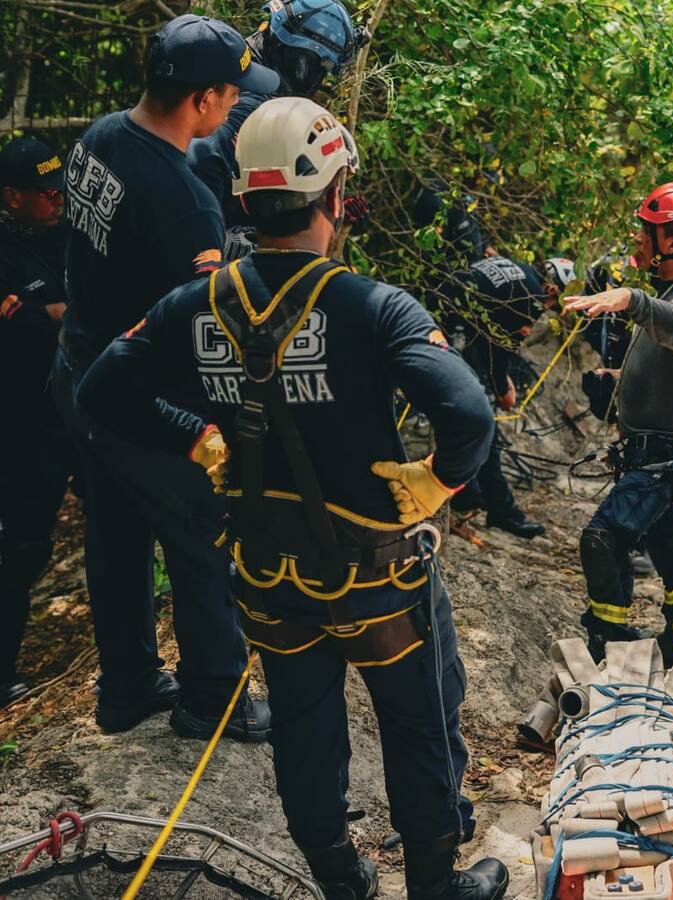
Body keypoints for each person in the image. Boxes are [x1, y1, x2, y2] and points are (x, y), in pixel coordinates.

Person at [78, 97, 508, 900]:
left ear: (244, 199)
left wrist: (192, 436)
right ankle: (434, 887)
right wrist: (439, 481)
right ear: (336, 197)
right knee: (420, 727)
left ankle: (343, 882)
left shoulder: (193, 304)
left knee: (307, 733)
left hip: (268, 576)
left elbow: (101, 389)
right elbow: (469, 413)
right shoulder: (374, 307)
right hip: (376, 580)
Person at [52, 14, 279, 739]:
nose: (238, 107)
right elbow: (200, 332)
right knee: (199, 536)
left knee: (116, 535)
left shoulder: (99, 137)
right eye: (234, 94)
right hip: (142, 401)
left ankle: (126, 686)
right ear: (204, 101)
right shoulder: (186, 204)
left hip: (81, 372)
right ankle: (213, 699)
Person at [563, 181, 673, 674]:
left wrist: (632, 300)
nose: (638, 241)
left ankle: (610, 643)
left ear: (672, 242)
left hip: (669, 453)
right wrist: (617, 383)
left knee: (604, 537)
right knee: (669, 545)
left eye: (645, 233)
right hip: (654, 448)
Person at [414, 184, 548, 538]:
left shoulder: (513, 272)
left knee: (469, 418)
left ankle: (474, 496)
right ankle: (490, 505)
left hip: (443, 310)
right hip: (452, 323)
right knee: (478, 421)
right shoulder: (530, 298)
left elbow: (490, 339)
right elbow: (499, 349)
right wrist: (502, 385)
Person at [187, 0, 366, 240]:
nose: (321, 79)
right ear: (303, 60)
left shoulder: (248, 61)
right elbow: (200, 158)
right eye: (323, 67)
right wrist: (218, 241)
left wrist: (320, 204)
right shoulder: (250, 102)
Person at [0, 138, 73, 709]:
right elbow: (51, 316)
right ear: (13, 197)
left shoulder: (73, 237)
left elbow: (64, 315)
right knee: (18, 550)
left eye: (61, 186)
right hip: (21, 423)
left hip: (74, 413)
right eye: (46, 191)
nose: (58, 198)